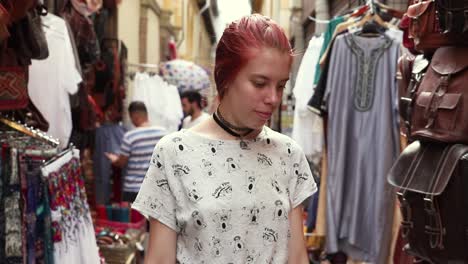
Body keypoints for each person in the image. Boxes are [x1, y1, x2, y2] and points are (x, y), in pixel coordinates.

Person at [132, 14, 317, 263]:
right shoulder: (175, 152)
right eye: (260, 83)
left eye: (281, 86)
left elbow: (297, 257)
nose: (273, 98)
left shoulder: (289, 154)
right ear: (226, 78)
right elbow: (159, 259)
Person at [105, 101, 166, 202]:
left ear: (134, 116)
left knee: (135, 218)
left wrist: (114, 159)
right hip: (157, 187)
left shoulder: (130, 136)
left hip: (134, 189)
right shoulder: (163, 133)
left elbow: (121, 162)